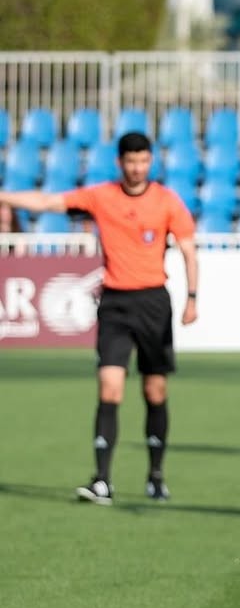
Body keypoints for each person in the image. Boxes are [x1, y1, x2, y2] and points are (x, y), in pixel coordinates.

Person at [0, 132, 199, 505]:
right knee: (109, 388)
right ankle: (102, 481)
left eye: (143, 161)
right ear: (120, 162)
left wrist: (191, 298)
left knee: (155, 390)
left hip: (153, 302)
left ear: (150, 162)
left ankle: (156, 475)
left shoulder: (167, 201)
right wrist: (4, 197)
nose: (137, 168)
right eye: (131, 161)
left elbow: (189, 251)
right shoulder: (101, 196)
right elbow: (48, 201)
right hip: (115, 303)